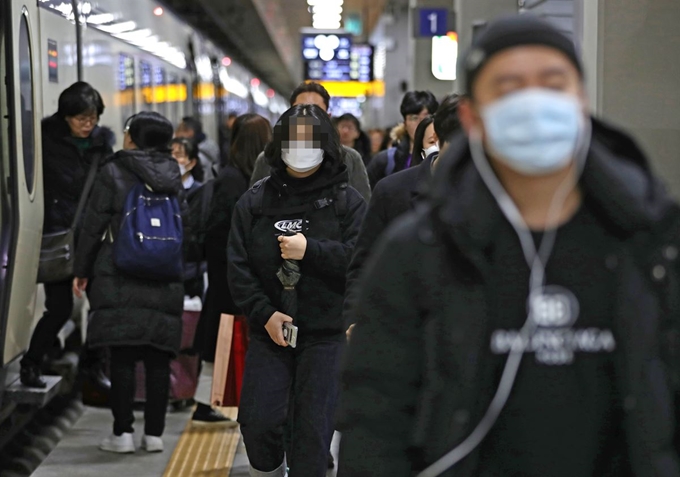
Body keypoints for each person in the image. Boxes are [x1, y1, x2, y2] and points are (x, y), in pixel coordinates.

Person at [337, 14, 680, 477]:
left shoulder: (650, 240)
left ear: (581, 100)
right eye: (510, 87)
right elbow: (375, 416)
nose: (533, 102)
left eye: (552, 83)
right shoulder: (419, 252)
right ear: (472, 117)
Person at [228, 104, 366, 476]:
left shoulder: (346, 203)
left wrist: (311, 250)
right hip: (269, 332)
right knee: (258, 424)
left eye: (311, 140)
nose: (301, 147)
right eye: (294, 139)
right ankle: (271, 466)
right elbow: (238, 268)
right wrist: (264, 314)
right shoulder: (255, 202)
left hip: (325, 336)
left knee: (312, 435)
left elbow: (361, 261)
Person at [73, 112, 186, 454]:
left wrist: (82, 269)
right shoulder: (173, 173)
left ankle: (122, 434)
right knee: (157, 358)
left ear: (134, 138)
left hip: (120, 272)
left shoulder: (112, 170)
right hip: (165, 275)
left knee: (121, 357)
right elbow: (186, 226)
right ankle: (154, 435)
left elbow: (93, 225)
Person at [20, 82, 114, 388]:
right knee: (59, 308)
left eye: (93, 118)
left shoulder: (102, 145)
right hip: (59, 236)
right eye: (80, 119)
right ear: (65, 117)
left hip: (93, 239)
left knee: (102, 307)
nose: (88, 125)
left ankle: (94, 367)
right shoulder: (45, 142)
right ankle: (31, 364)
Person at [343, 95, 460, 340]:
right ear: (438, 139)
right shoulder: (392, 191)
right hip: (401, 330)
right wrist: (356, 318)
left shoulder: (494, 195)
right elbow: (364, 261)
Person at [192, 113, 272, 426]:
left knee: (226, 338)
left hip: (230, 273)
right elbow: (221, 230)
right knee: (226, 337)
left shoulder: (236, 177)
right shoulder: (238, 180)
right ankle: (210, 401)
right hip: (231, 276)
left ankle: (215, 400)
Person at [249, 82, 371, 202]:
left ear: (327, 117)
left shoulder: (350, 159)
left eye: (315, 111)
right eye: (299, 109)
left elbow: (363, 210)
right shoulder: (268, 159)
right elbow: (252, 206)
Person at [366, 91, 439, 188]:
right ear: (405, 123)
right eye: (414, 118)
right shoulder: (385, 160)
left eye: (426, 117)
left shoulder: (443, 156)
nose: (420, 123)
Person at [170, 138, 206, 299]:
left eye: (178, 155)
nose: (173, 159)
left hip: (192, 268)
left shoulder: (201, 192)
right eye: (170, 154)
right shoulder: (160, 190)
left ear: (191, 163)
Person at [176, 117, 219, 181]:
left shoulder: (198, 156)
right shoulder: (209, 146)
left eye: (179, 130)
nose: (176, 134)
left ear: (189, 132)